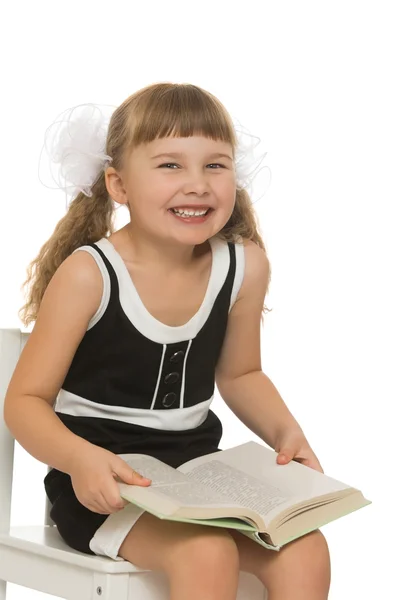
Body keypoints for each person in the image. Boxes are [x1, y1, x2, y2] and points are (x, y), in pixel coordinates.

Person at [4, 82, 331, 600]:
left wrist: (286, 433)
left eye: (215, 165)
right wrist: (80, 458)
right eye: (170, 165)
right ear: (119, 184)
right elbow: (24, 403)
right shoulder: (90, 274)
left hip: (198, 476)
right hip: (101, 484)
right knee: (207, 552)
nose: (197, 184)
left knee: (306, 549)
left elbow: (242, 374)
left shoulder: (243, 266)